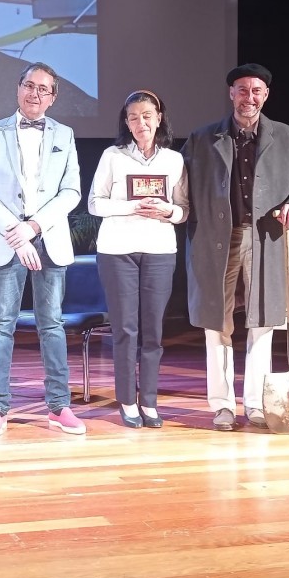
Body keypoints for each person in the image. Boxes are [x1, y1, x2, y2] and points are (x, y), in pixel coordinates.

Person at [184, 63, 289, 432]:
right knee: (217, 322)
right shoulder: (202, 138)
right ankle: (222, 406)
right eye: (242, 90)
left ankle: (257, 404)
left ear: (266, 95)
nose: (249, 97)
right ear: (231, 94)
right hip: (215, 240)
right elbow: (182, 186)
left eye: (256, 91)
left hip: (266, 239)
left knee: (262, 321)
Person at [0, 62, 83, 436]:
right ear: (18, 88)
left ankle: (58, 406)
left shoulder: (64, 135)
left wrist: (34, 227)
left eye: (43, 89)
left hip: (48, 237)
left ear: (52, 98)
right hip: (6, 240)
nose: (34, 94)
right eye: (29, 86)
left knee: (51, 323)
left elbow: (71, 191)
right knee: (1, 324)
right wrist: (15, 231)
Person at [88, 90, 188, 428]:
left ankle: (150, 401)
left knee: (153, 332)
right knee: (125, 330)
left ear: (159, 118)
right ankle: (127, 401)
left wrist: (167, 211)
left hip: (160, 250)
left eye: (146, 115)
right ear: (126, 123)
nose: (140, 122)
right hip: (118, 250)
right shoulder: (112, 156)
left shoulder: (173, 160)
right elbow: (95, 203)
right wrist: (133, 206)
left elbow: (183, 209)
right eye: (133, 117)